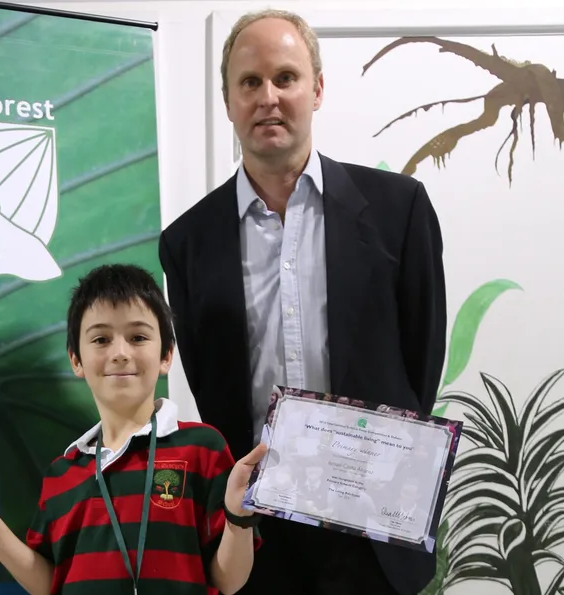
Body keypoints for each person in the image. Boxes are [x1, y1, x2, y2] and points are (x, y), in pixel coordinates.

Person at [157, 9, 446, 595]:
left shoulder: (399, 210)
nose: (269, 97)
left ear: (316, 89)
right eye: (250, 82)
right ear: (228, 100)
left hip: (371, 530)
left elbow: (421, 363)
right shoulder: (187, 241)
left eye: (285, 78)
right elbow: (210, 382)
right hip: (255, 531)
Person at [0, 264, 267, 595]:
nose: (120, 353)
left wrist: (239, 518)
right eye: (101, 339)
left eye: (137, 337)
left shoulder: (201, 448)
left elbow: (229, 580)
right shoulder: (62, 473)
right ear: (76, 359)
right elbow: (49, 583)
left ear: (166, 354)